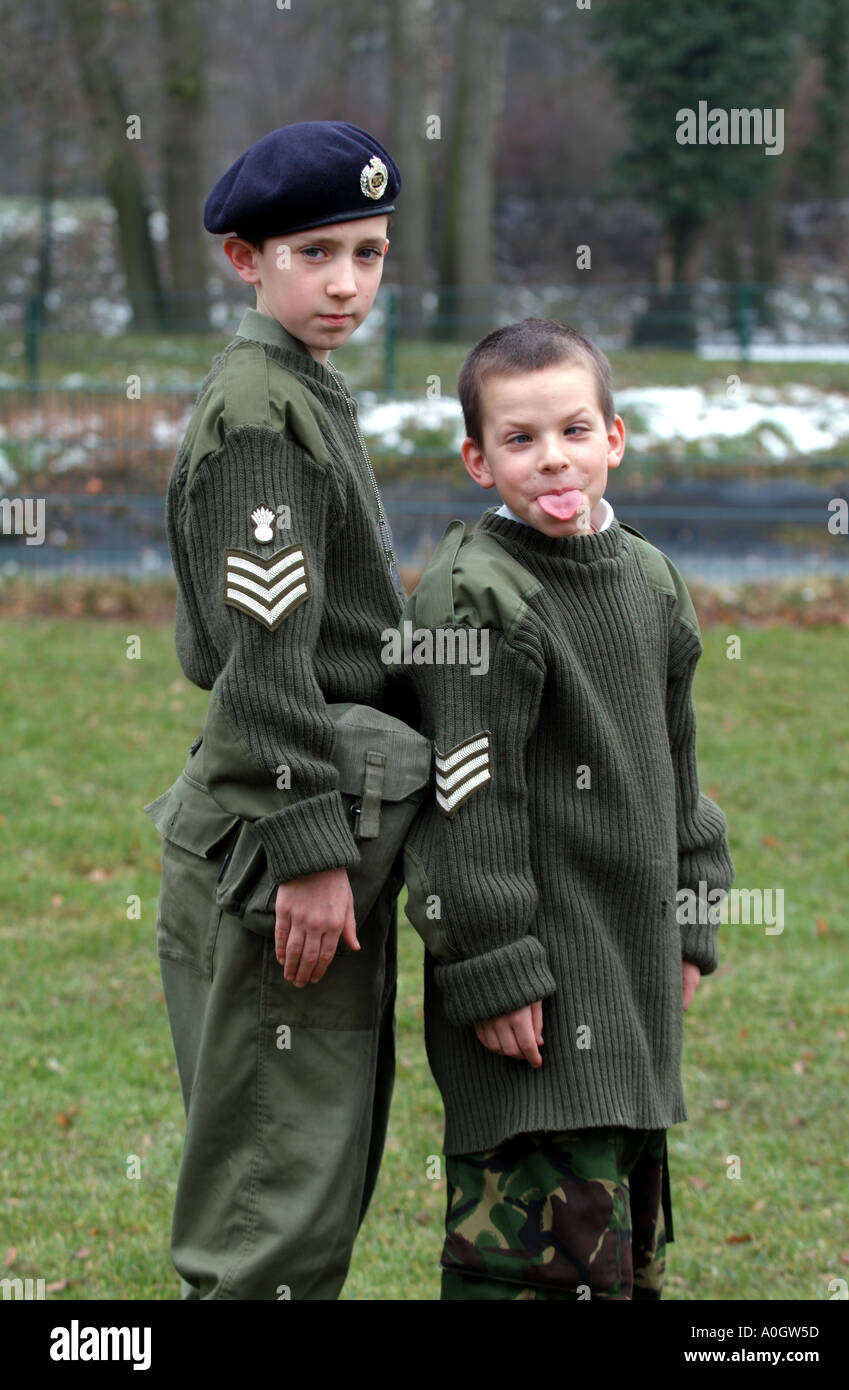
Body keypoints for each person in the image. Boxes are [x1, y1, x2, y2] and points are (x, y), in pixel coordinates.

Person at [394, 317, 735, 1300]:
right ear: (475, 458)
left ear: (613, 439)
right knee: (537, 1278)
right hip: (532, 1005)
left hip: (631, 996)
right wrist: (494, 963)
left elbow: (675, 768)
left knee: (623, 1267)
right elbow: (466, 798)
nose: (552, 457)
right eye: (519, 438)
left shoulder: (645, 577)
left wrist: (692, 914)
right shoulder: (476, 596)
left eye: (573, 431)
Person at [146, 121, 408, 1300]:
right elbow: (263, 656)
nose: (347, 281)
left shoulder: (298, 388)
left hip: (290, 819)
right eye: (317, 252)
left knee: (299, 1159)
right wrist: (311, 850)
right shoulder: (261, 412)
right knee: (270, 1194)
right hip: (278, 841)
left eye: (370, 251)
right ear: (245, 258)